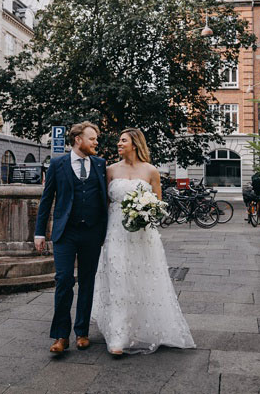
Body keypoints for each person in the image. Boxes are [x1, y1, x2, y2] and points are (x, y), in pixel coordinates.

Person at [94, 129, 196, 355]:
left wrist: (147, 212)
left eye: (123, 140)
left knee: (143, 277)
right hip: (116, 232)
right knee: (118, 278)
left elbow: (159, 204)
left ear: (135, 143)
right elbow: (105, 203)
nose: (118, 143)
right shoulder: (110, 170)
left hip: (143, 234)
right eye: (119, 140)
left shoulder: (151, 171)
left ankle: (147, 326)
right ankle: (118, 335)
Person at [34, 122, 110, 354]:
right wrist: (39, 232)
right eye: (92, 138)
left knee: (87, 281)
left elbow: (104, 198)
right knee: (64, 280)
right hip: (65, 232)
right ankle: (60, 335)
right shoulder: (58, 164)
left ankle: (82, 332)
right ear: (78, 139)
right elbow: (47, 200)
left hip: (91, 232)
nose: (96, 142)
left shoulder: (100, 164)